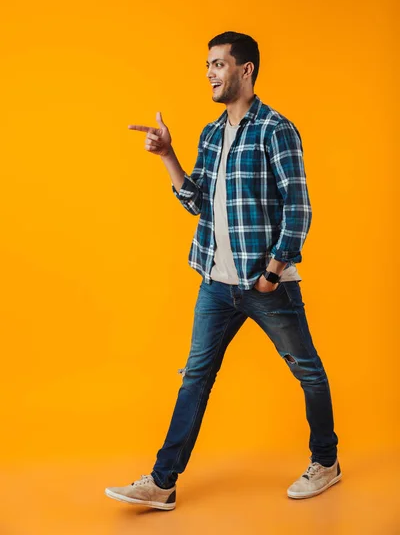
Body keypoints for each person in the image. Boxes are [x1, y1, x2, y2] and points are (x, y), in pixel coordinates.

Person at [105, 31, 341, 510]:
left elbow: (298, 209)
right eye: (208, 65)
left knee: (309, 373)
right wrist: (167, 155)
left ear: (245, 69)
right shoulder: (212, 133)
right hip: (215, 282)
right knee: (195, 376)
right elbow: (198, 204)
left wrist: (273, 273)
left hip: (265, 284)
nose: (210, 72)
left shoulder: (276, 129)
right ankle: (162, 482)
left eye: (218, 64)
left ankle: (327, 462)